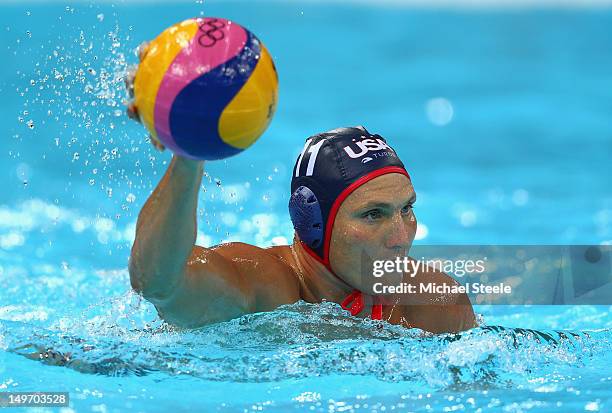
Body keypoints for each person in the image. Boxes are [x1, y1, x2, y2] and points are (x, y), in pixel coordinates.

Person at [125, 57, 476, 336]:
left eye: (407, 209)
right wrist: (188, 154)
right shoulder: (264, 290)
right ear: (313, 224)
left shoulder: (435, 304)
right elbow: (156, 281)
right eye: (374, 214)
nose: (401, 238)